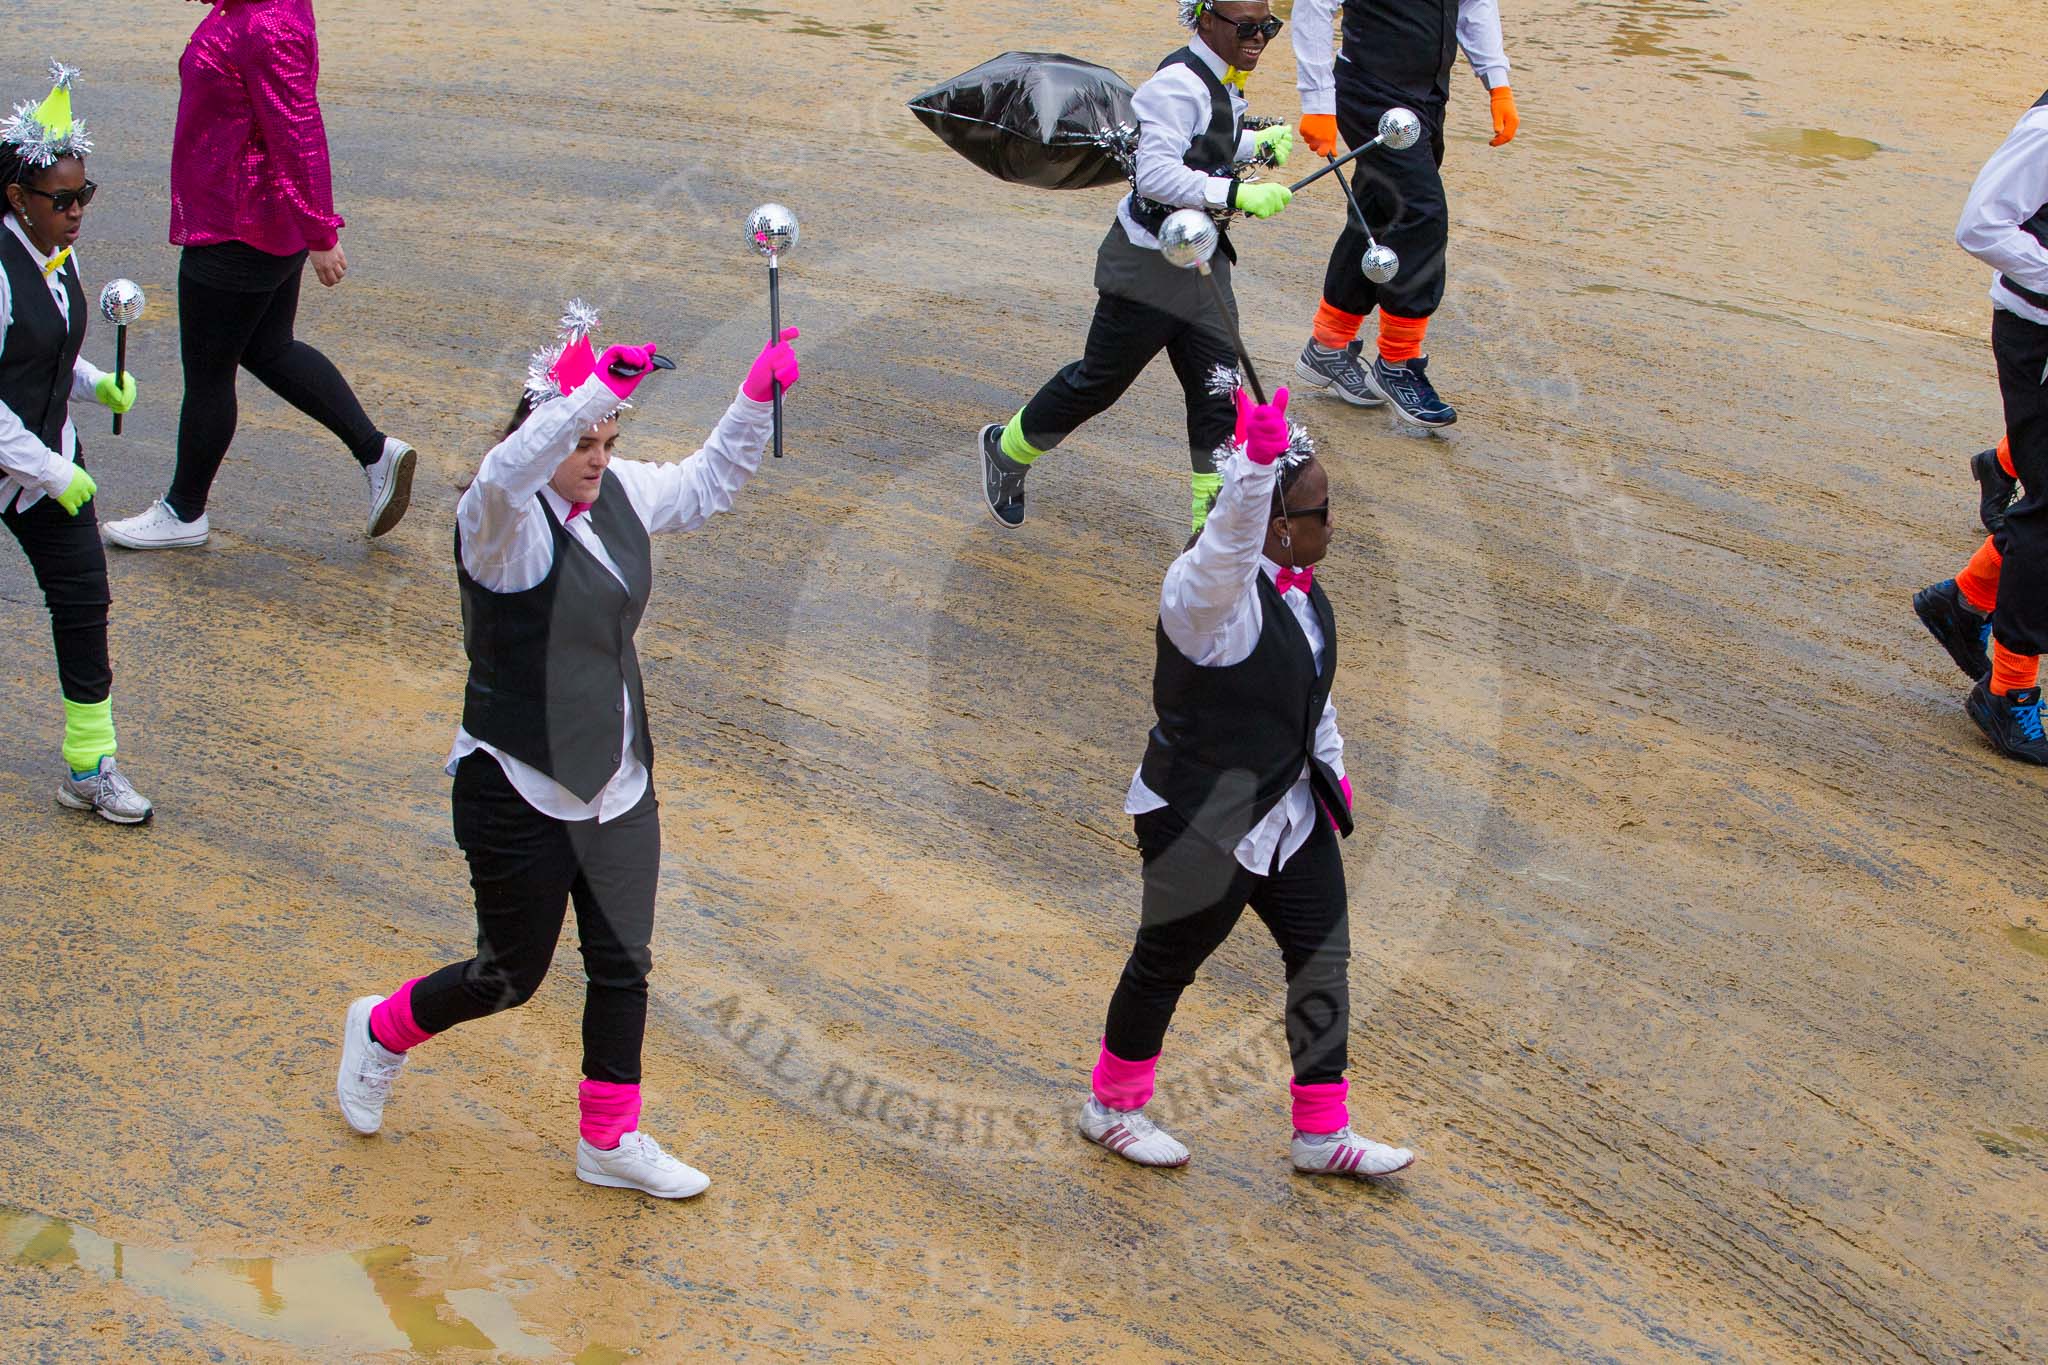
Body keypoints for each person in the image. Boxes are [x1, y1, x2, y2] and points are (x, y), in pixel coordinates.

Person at [334, 303, 800, 1200]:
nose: (598, 456)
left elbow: (705, 485)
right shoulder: (497, 521)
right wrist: (589, 389)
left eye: (610, 439)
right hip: (518, 786)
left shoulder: (616, 494)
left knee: (624, 962)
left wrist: (750, 400)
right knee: (509, 975)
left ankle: (609, 1139)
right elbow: (508, 475)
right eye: (584, 438)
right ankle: (382, 1029)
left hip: (620, 781)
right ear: (545, 431)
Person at [1077, 383, 1416, 1178]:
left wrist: (1331, 774)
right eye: (1321, 512)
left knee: (1322, 954)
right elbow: (1227, 545)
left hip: (1291, 810)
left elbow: (1313, 696)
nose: (1335, 524)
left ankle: (1321, 1131)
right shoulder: (1205, 599)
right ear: (1277, 524)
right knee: (1166, 963)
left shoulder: (1306, 595)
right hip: (1201, 815)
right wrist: (1254, 470)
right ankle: (1112, 1106)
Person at [101, 0, 414, 551]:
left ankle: (183, 511)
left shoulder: (269, 25)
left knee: (208, 375)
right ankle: (375, 452)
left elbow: (298, 131)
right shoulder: (251, 10)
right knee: (268, 348)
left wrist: (321, 232)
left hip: (238, 224)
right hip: (254, 220)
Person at [979, 0, 1297, 534]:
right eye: (1247, 26)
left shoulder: (1221, 78)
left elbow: (1202, 139)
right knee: (1097, 384)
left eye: (1268, 26)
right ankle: (1006, 450)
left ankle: (1209, 533)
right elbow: (1154, 175)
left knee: (1218, 391)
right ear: (1205, 19)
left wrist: (1254, 143)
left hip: (1200, 259)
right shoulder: (1177, 83)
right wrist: (1237, 191)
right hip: (1146, 267)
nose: (1260, 37)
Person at [0, 63, 151, 823]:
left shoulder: (57, 250)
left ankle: (91, 770)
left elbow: (50, 345)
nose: (77, 211)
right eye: (61, 200)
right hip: (29, 462)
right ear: (16, 200)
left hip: (44, 462)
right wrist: (52, 469)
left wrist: (96, 385)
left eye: (83, 195)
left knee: (84, 601)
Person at [1288, 0, 1516, 429]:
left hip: (1428, 97)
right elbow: (1314, 7)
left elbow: (1475, 5)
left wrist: (1497, 83)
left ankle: (1328, 345)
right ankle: (1398, 361)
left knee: (1378, 215)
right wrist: (1317, 99)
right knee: (1422, 214)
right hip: (1371, 91)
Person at [1920, 96, 2048, 765]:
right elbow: (1981, 225)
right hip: (2039, 339)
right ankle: (2009, 692)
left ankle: (1965, 601)